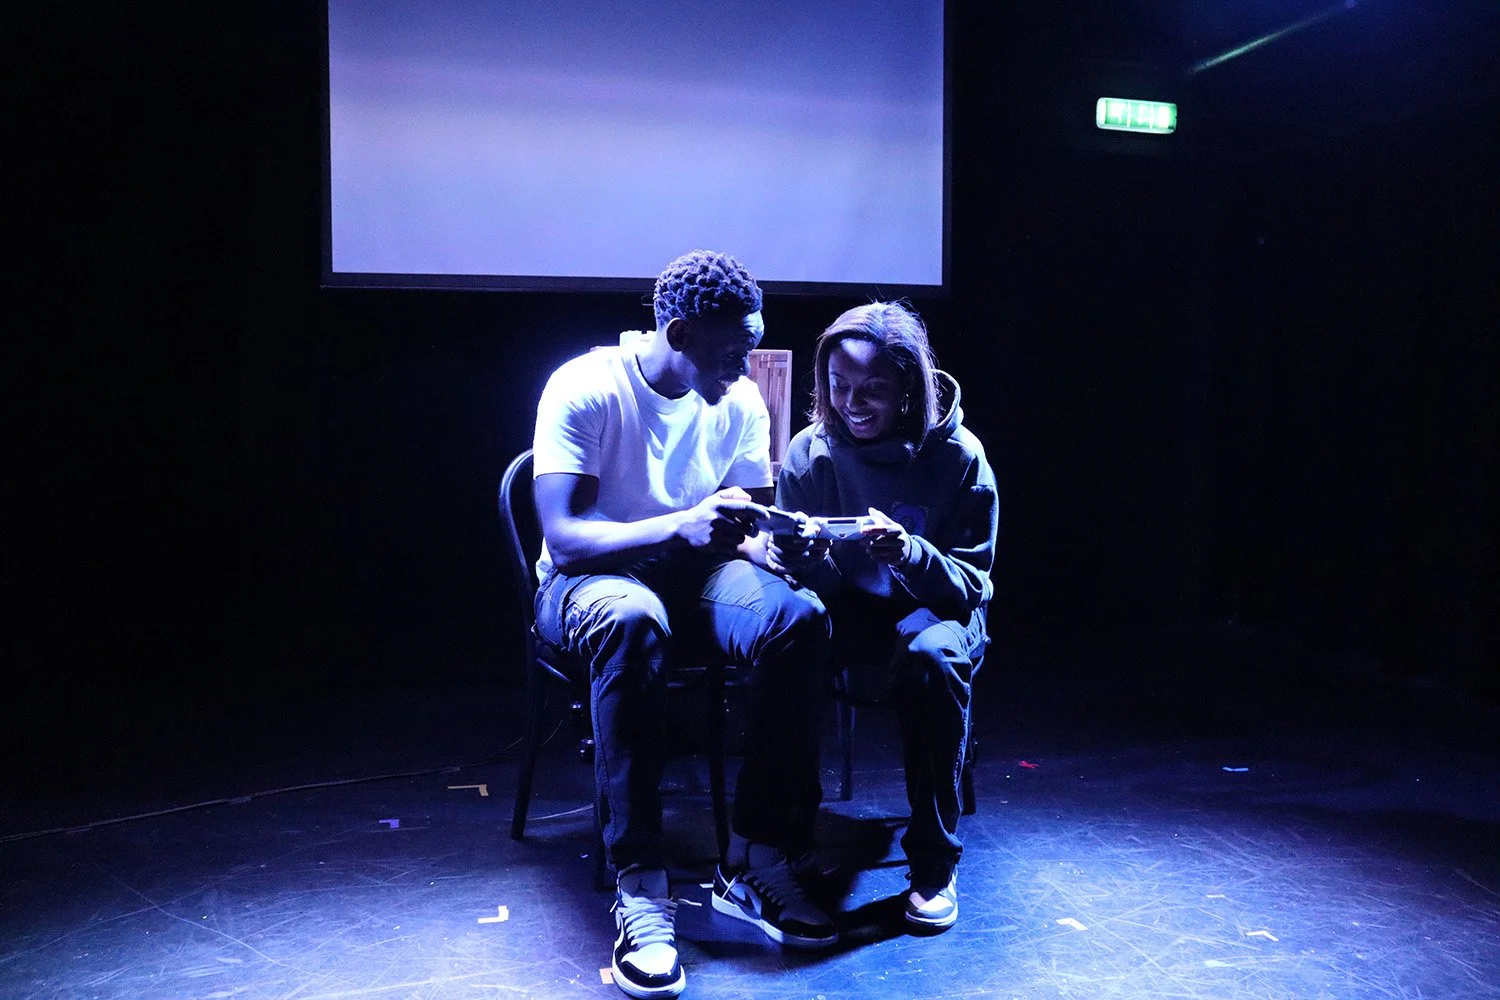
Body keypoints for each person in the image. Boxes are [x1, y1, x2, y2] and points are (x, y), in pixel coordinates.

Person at [530, 250, 838, 999]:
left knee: (797, 617)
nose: (745, 365)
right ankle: (642, 887)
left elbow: (747, 526)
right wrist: (680, 526)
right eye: (733, 352)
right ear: (677, 332)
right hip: (589, 583)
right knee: (634, 621)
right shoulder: (586, 386)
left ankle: (759, 860)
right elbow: (567, 536)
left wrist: (786, 544)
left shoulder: (738, 400)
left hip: (696, 577)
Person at [773, 301, 997, 933]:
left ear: (908, 389)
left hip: (936, 606)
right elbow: (803, 582)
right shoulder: (809, 455)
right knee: (787, 636)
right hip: (850, 607)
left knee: (932, 659)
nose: (853, 404)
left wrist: (909, 551)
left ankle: (932, 865)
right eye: (839, 388)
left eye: (873, 389)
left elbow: (971, 587)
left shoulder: (960, 458)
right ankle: (789, 843)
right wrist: (798, 557)